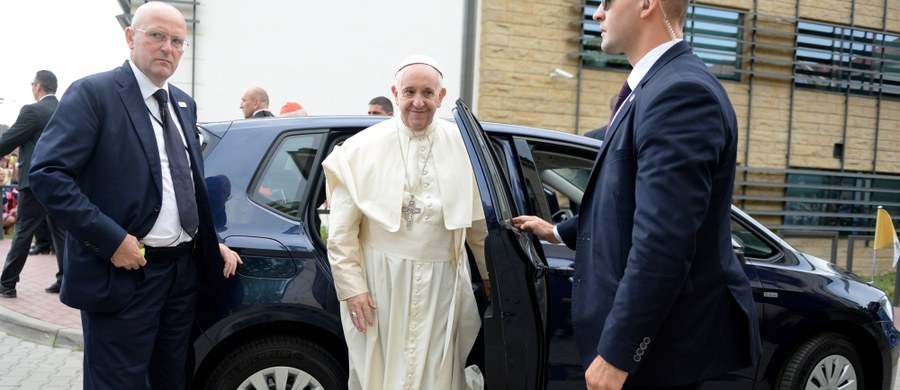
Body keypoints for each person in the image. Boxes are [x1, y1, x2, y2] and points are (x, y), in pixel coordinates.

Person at [511, 0, 760, 388]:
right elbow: (624, 201)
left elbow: (664, 241)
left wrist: (618, 353)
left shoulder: (681, 94)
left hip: (662, 351)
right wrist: (558, 232)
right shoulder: (654, 86)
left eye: (607, 2)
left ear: (646, 4)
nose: (597, 13)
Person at [28, 3, 242, 389]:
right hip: (124, 273)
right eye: (157, 36)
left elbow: (186, 184)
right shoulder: (94, 94)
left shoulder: (182, 103)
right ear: (130, 37)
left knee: (170, 380)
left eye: (178, 41)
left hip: (180, 276)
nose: (168, 48)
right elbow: (48, 175)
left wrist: (213, 243)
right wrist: (112, 241)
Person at [322, 54, 489, 390]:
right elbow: (341, 234)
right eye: (409, 91)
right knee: (380, 372)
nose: (418, 101)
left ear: (441, 97)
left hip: (442, 283)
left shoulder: (464, 147)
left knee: (437, 373)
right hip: (381, 283)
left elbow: (477, 227)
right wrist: (353, 289)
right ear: (395, 92)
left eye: (428, 93)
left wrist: (490, 277)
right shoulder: (360, 149)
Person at [0, 70, 67, 297]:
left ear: (38, 87)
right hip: (63, 182)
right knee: (61, 233)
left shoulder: (33, 111)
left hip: (36, 181)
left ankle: (7, 284)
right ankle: (66, 281)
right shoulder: (67, 110)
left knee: (23, 232)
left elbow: (8, 141)